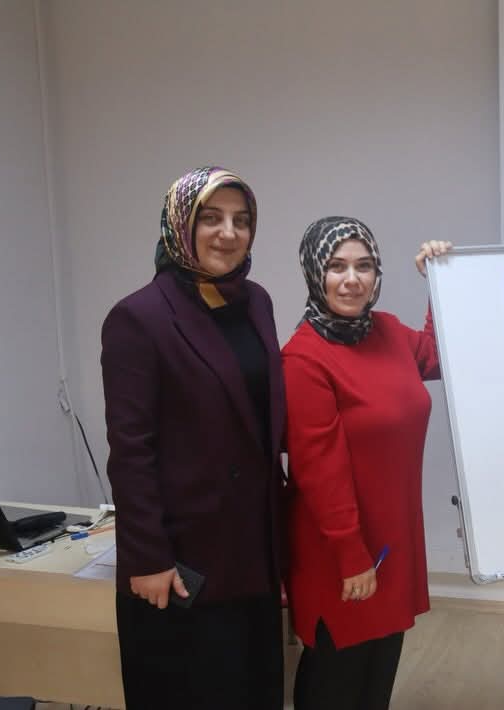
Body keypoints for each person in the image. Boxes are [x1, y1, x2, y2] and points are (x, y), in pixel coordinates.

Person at [100, 166, 286, 709]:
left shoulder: (257, 301)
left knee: (253, 690)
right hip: (182, 562)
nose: (228, 233)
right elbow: (131, 452)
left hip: (254, 547)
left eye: (241, 220)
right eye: (211, 218)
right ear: (180, 224)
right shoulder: (138, 317)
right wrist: (147, 558)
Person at [283, 216, 451, 710]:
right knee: (337, 680)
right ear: (315, 272)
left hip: (391, 540)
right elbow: (319, 472)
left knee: (376, 678)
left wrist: (440, 279)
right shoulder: (303, 358)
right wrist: (352, 557)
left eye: (364, 266)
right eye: (337, 267)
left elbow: (438, 354)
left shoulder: (389, 331)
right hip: (340, 550)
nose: (352, 279)